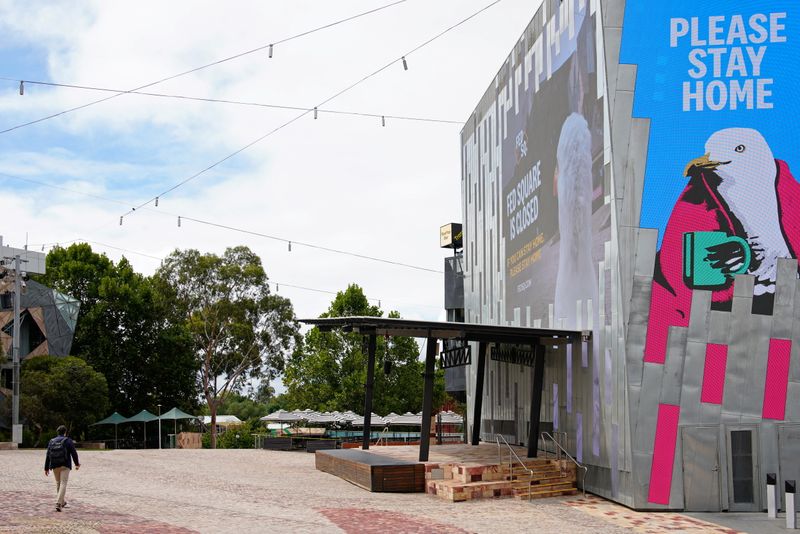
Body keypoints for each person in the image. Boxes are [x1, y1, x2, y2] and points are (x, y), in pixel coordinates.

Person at [44, 425, 80, 512]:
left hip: (54, 465)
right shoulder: (68, 441)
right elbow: (74, 453)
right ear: (65, 432)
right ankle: (59, 503)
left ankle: (62, 502)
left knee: (58, 483)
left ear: (57, 432)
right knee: (63, 483)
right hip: (65, 465)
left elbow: (48, 455)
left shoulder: (51, 441)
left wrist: (46, 468)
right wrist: (77, 464)